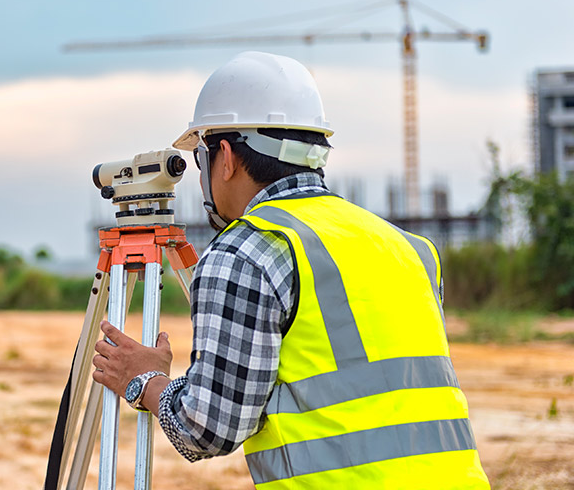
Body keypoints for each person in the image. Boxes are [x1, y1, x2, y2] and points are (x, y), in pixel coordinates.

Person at [91, 51, 489, 488]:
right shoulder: (407, 246)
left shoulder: (246, 252)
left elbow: (206, 430)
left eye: (203, 156)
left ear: (224, 157)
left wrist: (142, 379)